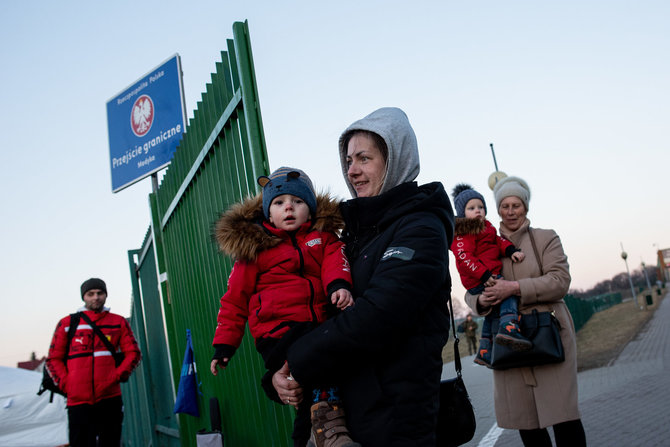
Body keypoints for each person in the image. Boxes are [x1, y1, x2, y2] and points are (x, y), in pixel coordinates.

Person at [275, 107, 455, 446]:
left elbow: (378, 316)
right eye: (348, 161)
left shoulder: (421, 228)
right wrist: (279, 371)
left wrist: (297, 360)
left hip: (392, 420)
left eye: (364, 159)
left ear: (394, 158)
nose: (352, 171)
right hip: (345, 418)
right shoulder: (356, 233)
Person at [209, 167, 359, 447]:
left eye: (298, 202)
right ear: (268, 213)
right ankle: (327, 424)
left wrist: (339, 285)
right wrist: (225, 345)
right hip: (276, 331)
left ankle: (307, 436)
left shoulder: (323, 238)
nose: (288, 207)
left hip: (315, 325)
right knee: (317, 358)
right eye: (278, 203)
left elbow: (335, 261)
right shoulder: (255, 251)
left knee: (308, 386)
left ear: (311, 209)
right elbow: (234, 300)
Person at [464, 176, 587, 447]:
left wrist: (515, 288)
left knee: (564, 417)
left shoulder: (546, 238)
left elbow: (559, 281)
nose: (510, 212)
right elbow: (469, 289)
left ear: (525, 207)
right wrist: (482, 302)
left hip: (549, 335)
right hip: (508, 341)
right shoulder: (481, 241)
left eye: (516, 205)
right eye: (504, 205)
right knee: (526, 423)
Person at [46, 278, 141, 447]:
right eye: (90, 294)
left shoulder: (118, 322)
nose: (96, 297)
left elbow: (133, 353)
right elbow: (53, 359)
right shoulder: (67, 323)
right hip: (78, 400)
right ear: (84, 297)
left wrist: (117, 376)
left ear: (105, 295)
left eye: (100, 293)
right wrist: (68, 385)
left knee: (110, 443)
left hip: (109, 397)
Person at [450, 183, 529, 367]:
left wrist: (510, 250)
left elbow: (498, 241)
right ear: (462, 213)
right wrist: (485, 275)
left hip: (488, 274)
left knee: (493, 312)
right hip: (479, 278)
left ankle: (485, 349)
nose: (478, 211)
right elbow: (464, 258)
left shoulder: (488, 226)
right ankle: (509, 327)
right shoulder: (463, 232)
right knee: (506, 291)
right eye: (471, 208)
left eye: (481, 207)